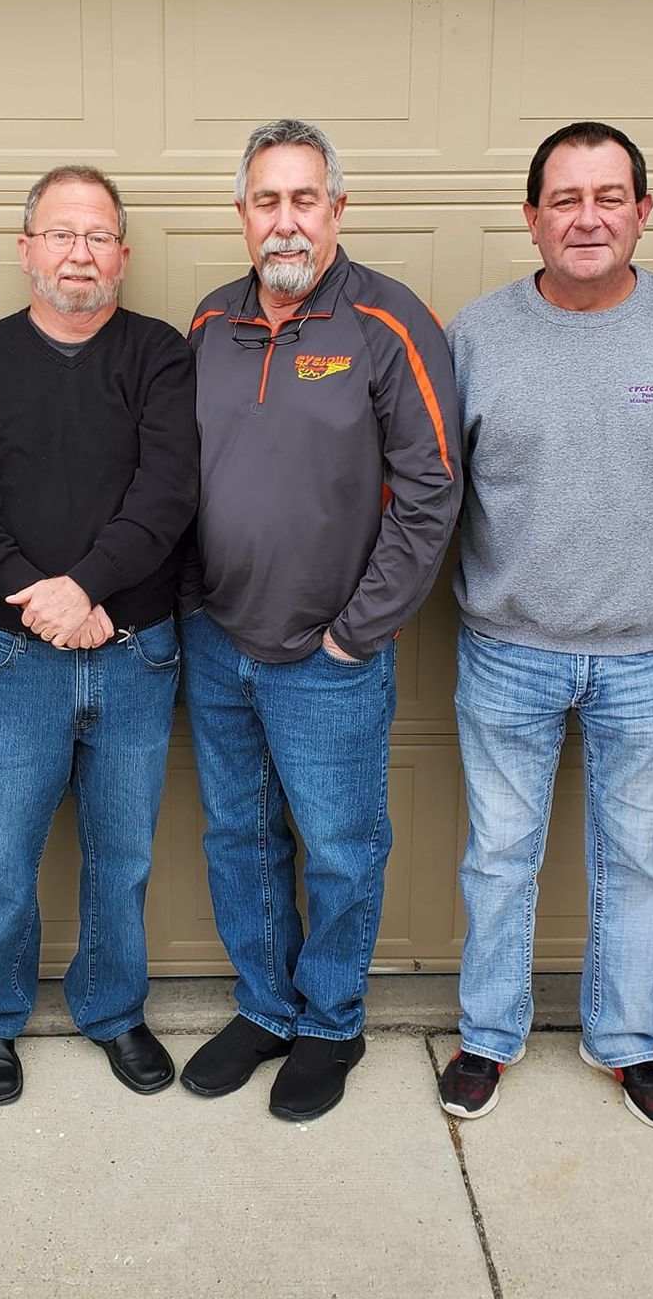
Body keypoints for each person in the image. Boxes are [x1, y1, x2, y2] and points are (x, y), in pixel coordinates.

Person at [435, 123, 653, 1131]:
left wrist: (642, 569)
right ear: (531, 218)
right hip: (506, 648)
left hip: (647, 654)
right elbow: (443, 488)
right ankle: (488, 1035)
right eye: (564, 199)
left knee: (633, 858)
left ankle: (623, 1042)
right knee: (500, 854)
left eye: (608, 196)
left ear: (643, 212)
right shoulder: (475, 337)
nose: (587, 217)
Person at [179, 118, 461, 1122]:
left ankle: (331, 1022)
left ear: (337, 210)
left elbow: (432, 489)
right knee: (239, 838)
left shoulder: (388, 322)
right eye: (267, 201)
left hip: (328, 658)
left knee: (342, 847)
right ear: (243, 215)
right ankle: (264, 1007)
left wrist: (358, 631)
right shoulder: (211, 324)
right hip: (219, 643)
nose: (285, 222)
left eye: (305, 200)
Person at [0, 165, 198, 1106]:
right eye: (61, 233)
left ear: (124, 253)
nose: (80, 252)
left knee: (124, 854)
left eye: (99, 235)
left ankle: (113, 1010)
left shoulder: (160, 355)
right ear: (27, 246)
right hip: (11, 658)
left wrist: (88, 589)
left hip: (133, 649)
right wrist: (38, 596)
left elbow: (167, 495)